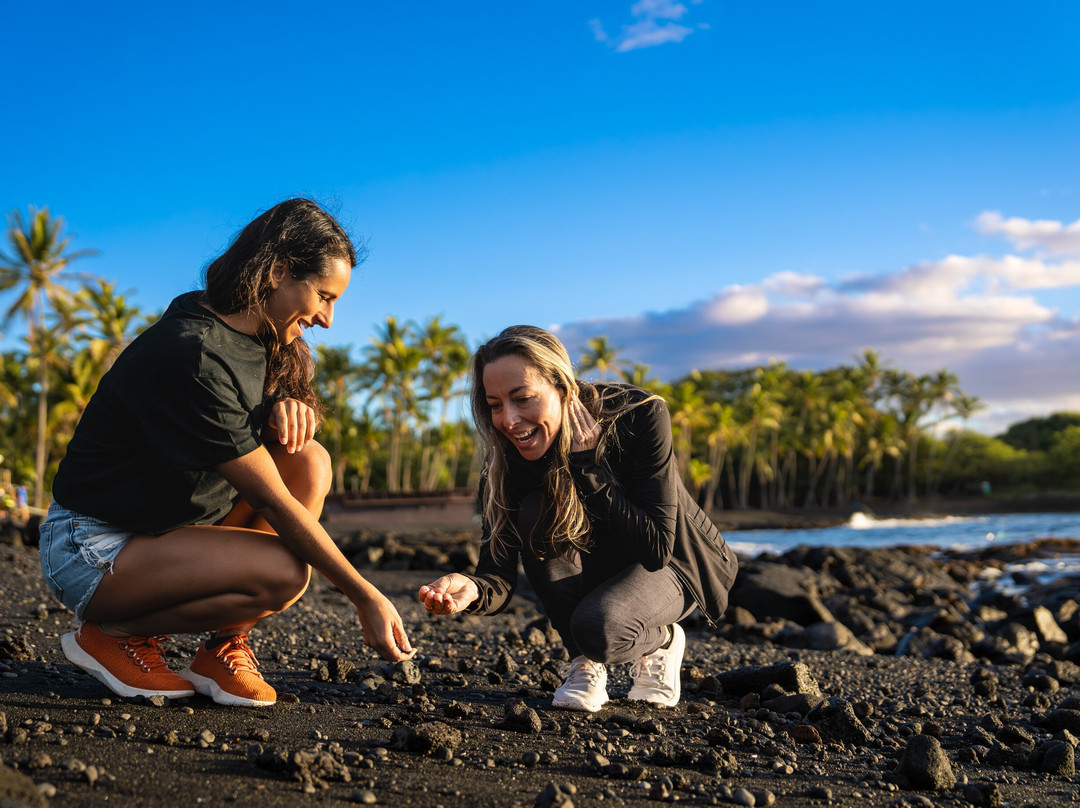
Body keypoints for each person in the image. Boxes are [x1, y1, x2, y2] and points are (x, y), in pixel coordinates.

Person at [38, 198, 414, 707]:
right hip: (91, 544)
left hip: (168, 527)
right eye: (323, 296)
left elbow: (265, 426)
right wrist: (364, 594)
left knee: (310, 460)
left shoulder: (262, 337)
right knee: (284, 573)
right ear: (278, 272)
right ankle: (111, 634)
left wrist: (288, 404)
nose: (328, 318)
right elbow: (274, 503)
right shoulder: (193, 352)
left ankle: (221, 648)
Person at [418, 326, 737, 711]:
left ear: (563, 388)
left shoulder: (639, 415)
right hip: (601, 556)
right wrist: (469, 587)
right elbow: (498, 575)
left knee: (597, 628)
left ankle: (664, 640)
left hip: (678, 562)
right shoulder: (505, 462)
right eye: (495, 404)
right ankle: (584, 663)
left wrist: (587, 467)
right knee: (536, 512)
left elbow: (655, 549)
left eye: (523, 398)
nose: (509, 420)